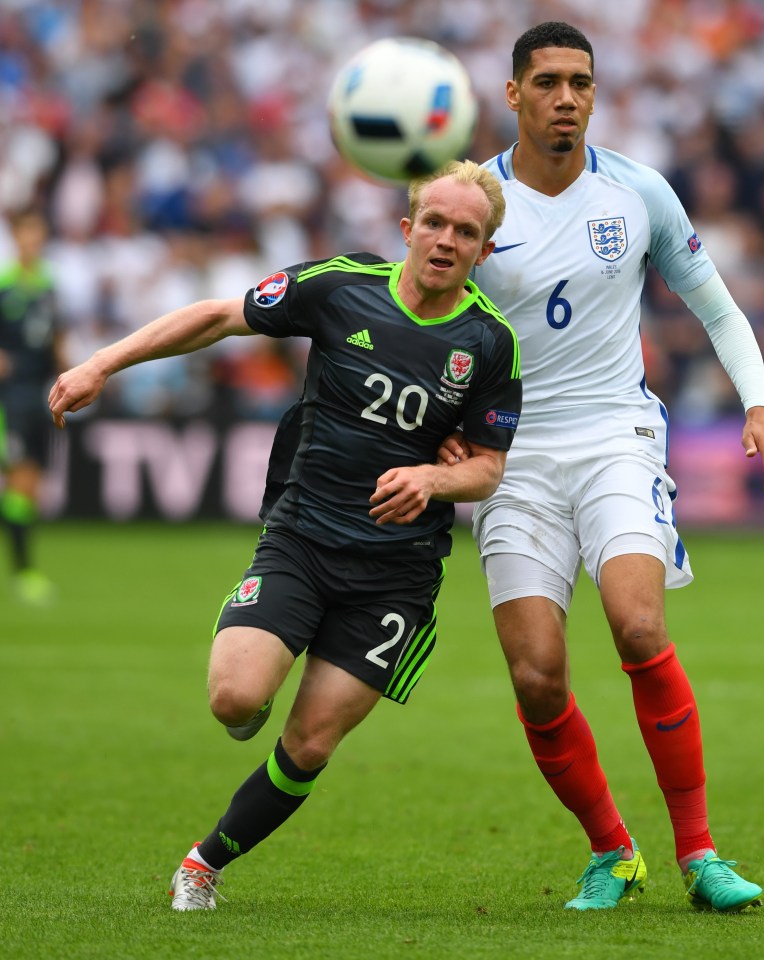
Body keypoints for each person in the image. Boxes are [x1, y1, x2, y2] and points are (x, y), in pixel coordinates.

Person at [47, 160, 522, 911]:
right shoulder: (340, 287)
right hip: (302, 536)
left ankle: (203, 864)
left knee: (309, 745)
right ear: (406, 229)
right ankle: (256, 668)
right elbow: (216, 316)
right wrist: (103, 362)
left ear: (484, 251)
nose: (445, 239)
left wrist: (433, 479)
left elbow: (488, 467)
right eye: (433, 222)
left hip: (395, 577)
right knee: (235, 701)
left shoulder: (489, 343)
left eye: (465, 231)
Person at [449, 21, 764, 913]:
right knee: (535, 673)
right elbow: (426, 319)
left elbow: (717, 308)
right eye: (549, 82)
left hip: (615, 436)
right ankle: (613, 851)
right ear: (513, 95)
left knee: (637, 627)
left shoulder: (638, 193)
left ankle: (698, 854)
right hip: (512, 454)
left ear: (594, 94)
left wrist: (758, 405)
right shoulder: (472, 200)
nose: (567, 98)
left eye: (581, 82)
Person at [0, 208, 66, 605]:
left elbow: (57, 338)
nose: (32, 239)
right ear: (16, 235)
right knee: (21, 482)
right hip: (11, 396)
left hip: (40, 393)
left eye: (38, 231)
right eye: (25, 231)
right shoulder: (4, 284)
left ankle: (23, 569)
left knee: (31, 487)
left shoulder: (49, 286)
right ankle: (24, 572)